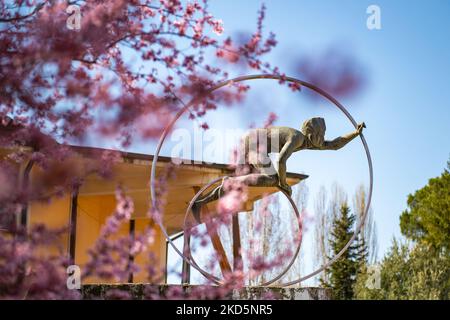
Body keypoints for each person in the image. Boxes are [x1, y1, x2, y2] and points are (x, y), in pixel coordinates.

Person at [191, 117, 365, 222]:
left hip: (255, 144)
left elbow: (334, 145)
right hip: (254, 143)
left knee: (237, 187)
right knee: (271, 179)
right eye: (322, 135)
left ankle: (199, 203)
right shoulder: (297, 138)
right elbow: (281, 160)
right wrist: (283, 184)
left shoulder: (308, 143)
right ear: (312, 135)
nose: (324, 139)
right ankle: (228, 182)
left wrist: (355, 133)